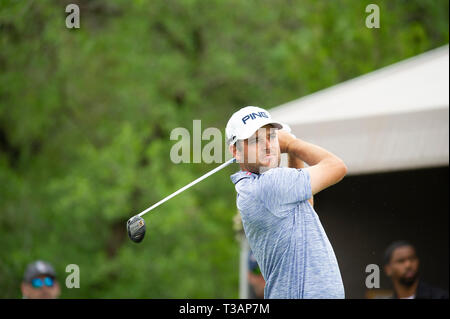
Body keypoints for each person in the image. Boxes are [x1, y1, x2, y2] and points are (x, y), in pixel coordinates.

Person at [227, 106, 347, 299]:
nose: (268, 146)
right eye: (256, 140)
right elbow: (337, 167)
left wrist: (292, 153)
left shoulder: (253, 186)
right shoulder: (269, 186)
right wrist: (291, 143)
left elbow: (305, 203)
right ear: (236, 151)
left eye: (271, 137)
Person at [383, 240, 449, 299]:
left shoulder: (441, 296)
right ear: (388, 269)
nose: (408, 265)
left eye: (412, 258)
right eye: (401, 261)